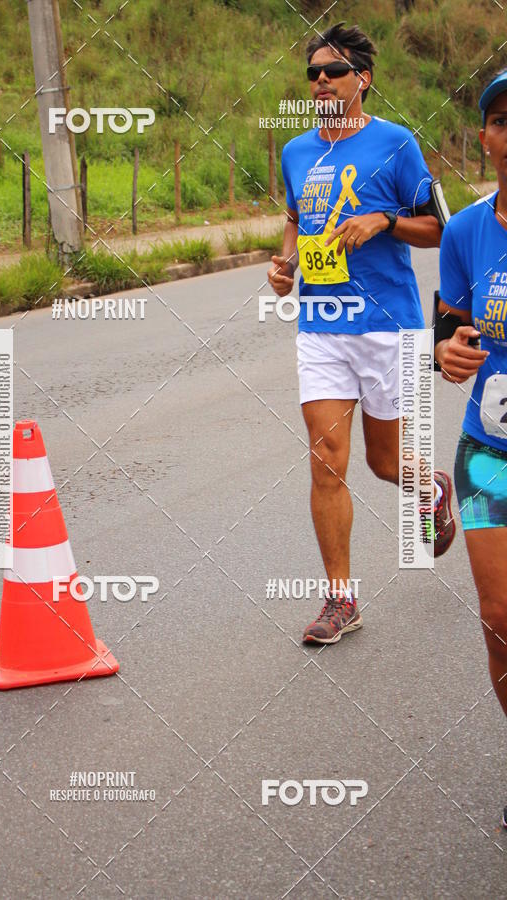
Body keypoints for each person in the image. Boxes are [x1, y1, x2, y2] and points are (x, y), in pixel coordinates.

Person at [268, 22, 453, 645]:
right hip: (321, 329)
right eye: (314, 73)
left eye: (334, 71)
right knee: (327, 464)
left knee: (382, 463)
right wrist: (285, 262)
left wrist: (384, 220)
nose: (321, 80)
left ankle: (429, 487)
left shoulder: (397, 145)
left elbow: (439, 231)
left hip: (388, 327)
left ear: (362, 80)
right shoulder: (296, 152)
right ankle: (341, 600)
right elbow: (295, 216)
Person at [434, 68, 507, 829]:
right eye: (504, 120)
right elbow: (447, 329)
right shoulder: (466, 231)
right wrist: (447, 355)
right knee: (499, 618)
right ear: (485, 138)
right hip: (492, 454)